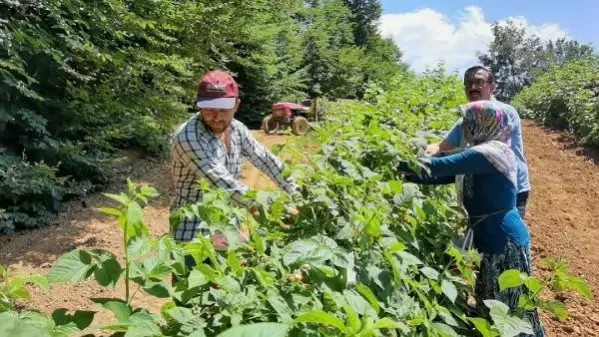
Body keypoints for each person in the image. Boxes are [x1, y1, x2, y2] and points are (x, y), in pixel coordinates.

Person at [399, 100, 545, 336]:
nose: (463, 127)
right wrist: (406, 177)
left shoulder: (491, 152)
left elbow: (440, 166)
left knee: (511, 311)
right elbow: (438, 177)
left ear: (481, 124)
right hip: (489, 237)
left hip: (503, 239)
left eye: (467, 122)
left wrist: (393, 162)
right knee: (491, 305)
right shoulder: (479, 154)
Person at [170, 69, 299, 261]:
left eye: (223, 109)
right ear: (199, 106)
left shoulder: (237, 129)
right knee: (194, 286)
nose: (216, 116)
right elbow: (224, 184)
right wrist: (274, 206)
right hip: (194, 232)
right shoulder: (188, 137)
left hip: (228, 225)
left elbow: (266, 159)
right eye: (209, 109)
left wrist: (297, 192)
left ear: (236, 106)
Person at [426, 66, 531, 218]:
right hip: (482, 188)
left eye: (479, 82)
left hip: (509, 188)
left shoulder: (503, 114)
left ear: (492, 87)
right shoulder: (469, 118)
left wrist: (420, 166)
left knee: (501, 232)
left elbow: (484, 154)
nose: (473, 87)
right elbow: (441, 146)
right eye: (468, 83)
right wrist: (417, 150)